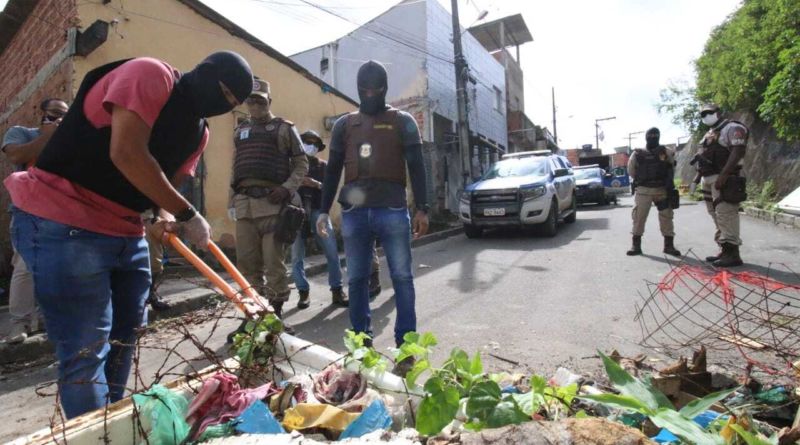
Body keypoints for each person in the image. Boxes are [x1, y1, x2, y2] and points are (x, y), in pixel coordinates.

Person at [5, 52, 253, 418]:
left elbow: (169, 184)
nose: (222, 104)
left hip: (124, 227)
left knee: (123, 343)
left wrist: (166, 216)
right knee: (86, 352)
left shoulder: (199, 131)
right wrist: (189, 213)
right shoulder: (149, 74)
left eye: (231, 104)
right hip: (63, 217)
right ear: (202, 73)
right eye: (222, 93)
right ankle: (94, 435)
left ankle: (109, 428)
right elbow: (126, 152)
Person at [316, 60, 429, 374]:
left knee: (403, 279)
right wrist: (323, 211)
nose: (369, 95)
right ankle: (361, 346)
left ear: (384, 88)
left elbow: (418, 167)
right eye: (363, 89)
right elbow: (333, 169)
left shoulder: (403, 121)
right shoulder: (344, 125)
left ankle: (407, 350)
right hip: (354, 214)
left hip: (392, 209)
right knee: (357, 280)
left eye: (374, 89)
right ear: (357, 89)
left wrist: (423, 208)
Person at [228, 77, 309, 330]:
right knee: (247, 265)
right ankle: (253, 317)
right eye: (250, 100)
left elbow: (301, 162)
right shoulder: (239, 131)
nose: (255, 105)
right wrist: (231, 200)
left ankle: (274, 317)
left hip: (273, 205)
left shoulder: (284, 128)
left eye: (260, 100)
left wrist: (286, 189)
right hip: (244, 205)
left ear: (269, 101)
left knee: (274, 263)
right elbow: (235, 168)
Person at [1, 98, 69, 343]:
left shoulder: (67, 142)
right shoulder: (20, 133)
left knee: (55, 267)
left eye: (64, 116)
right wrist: (48, 136)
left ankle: (44, 318)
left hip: (59, 212)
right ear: (41, 114)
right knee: (25, 265)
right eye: (53, 114)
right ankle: (19, 323)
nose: (58, 120)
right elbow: (17, 155)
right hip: (26, 211)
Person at [291, 130, 348, 309]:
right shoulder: (292, 165)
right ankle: (303, 293)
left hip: (318, 212)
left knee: (332, 252)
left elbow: (330, 189)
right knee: (296, 256)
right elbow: (283, 186)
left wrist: (315, 184)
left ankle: (337, 290)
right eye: (307, 142)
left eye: (315, 144)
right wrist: (297, 183)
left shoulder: (323, 166)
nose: (311, 146)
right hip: (295, 212)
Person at [696, 104, 748, 267]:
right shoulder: (709, 134)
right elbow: (702, 157)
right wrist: (696, 179)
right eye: (703, 114)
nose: (706, 116)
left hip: (724, 179)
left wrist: (724, 175)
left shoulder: (732, 128)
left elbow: (738, 151)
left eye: (709, 113)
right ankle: (725, 250)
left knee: (726, 214)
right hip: (708, 178)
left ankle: (733, 254)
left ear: (718, 113)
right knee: (716, 215)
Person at [626, 127, 681, 257]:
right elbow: (631, 171)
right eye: (650, 136)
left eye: (655, 136)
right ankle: (636, 245)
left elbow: (671, 168)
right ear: (646, 137)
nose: (653, 138)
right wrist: (642, 180)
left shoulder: (666, 152)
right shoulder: (638, 154)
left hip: (661, 190)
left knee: (666, 217)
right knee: (639, 217)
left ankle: (669, 246)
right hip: (643, 190)